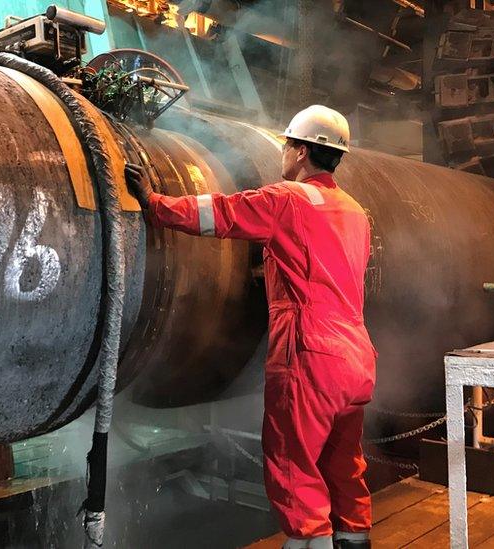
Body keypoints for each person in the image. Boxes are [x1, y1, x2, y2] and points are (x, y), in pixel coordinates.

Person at [124, 105, 377, 549]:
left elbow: (218, 214)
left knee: (291, 459)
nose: (283, 152)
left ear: (300, 151)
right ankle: (355, 537)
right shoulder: (355, 211)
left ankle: (309, 540)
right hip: (355, 354)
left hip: (309, 352)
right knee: (344, 461)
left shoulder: (288, 199)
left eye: (286, 144)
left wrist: (153, 202)